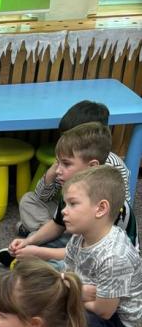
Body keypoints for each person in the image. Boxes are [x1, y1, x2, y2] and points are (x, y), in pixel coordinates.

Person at [0, 123, 130, 269]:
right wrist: (29, 242)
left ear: (92, 166)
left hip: (100, 258)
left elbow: (85, 253)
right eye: (58, 163)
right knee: (35, 237)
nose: (58, 170)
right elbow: (57, 224)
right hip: (77, 240)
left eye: (66, 164)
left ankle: (31, 265)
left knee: (64, 267)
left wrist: (38, 252)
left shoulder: (107, 201)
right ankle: (30, 261)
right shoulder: (73, 189)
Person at [16, 99, 131, 237]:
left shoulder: (113, 167)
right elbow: (41, 197)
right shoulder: (66, 163)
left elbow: (117, 213)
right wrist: (51, 174)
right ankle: (48, 233)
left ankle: (46, 234)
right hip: (67, 212)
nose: (66, 143)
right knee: (28, 201)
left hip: (93, 223)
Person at [60, 166, 142, 327]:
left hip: (113, 319)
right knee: (37, 293)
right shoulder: (78, 237)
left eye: (72, 204)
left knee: (73, 325)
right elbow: (67, 275)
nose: (64, 211)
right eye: (65, 204)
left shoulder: (115, 257)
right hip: (85, 294)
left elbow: (104, 311)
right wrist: (72, 290)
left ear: (101, 208)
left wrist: (72, 294)